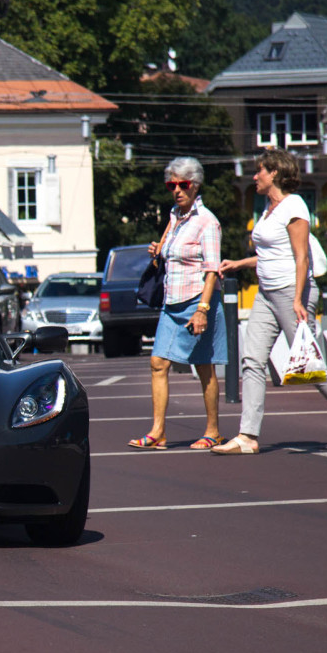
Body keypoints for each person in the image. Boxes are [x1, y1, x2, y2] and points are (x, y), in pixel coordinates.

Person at [213, 148, 327, 454]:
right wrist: (239, 264)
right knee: (252, 361)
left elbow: (301, 258)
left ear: (275, 173)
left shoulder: (294, 205)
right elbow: (270, 255)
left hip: (291, 293)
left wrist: (298, 299)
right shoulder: (268, 210)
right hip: (267, 295)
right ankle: (248, 436)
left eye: (260, 170)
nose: (255, 176)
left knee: (309, 364)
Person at [128, 157, 226, 450]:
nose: (177, 190)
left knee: (204, 367)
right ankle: (158, 431)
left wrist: (202, 310)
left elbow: (212, 270)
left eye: (183, 185)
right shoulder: (174, 217)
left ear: (195, 186)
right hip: (171, 301)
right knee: (158, 362)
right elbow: (168, 252)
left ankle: (213, 431)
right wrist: (158, 250)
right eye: (172, 185)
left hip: (198, 299)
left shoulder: (207, 222)